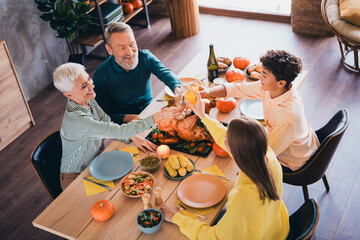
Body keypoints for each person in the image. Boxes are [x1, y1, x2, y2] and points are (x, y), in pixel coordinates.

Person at [160, 91, 290, 240]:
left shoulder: (242, 198)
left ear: (234, 151)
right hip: (276, 228)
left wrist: (176, 217)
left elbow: (214, 237)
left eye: (228, 140)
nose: (224, 139)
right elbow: (226, 137)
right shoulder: (266, 155)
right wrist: (203, 116)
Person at [53, 63, 184, 190]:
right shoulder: (78, 120)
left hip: (97, 163)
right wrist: (158, 116)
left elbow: (108, 123)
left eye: (89, 79)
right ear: (68, 95)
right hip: (76, 177)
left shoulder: (89, 101)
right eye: (83, 86)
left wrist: (133, 137)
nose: (91, 86)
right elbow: (118, 131)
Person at [199, 50, 319, 172]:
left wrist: (231, 147)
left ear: (281, 82)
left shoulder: (287, 116)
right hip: (286, 142)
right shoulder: (275, 89)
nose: (259, 76)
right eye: (261, 72)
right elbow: (238, 88)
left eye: (265, 75)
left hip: (293, 161)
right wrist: (207, 92)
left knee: (229, 170)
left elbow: (263, 154)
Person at [93, 22, 182, 125]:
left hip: (150, 111)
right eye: (122, 47)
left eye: (132, 44)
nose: (130, 52)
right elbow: (102, 115)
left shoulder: (145, 57)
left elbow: (166, 73)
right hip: (124, 125)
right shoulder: (100, 75)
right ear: (109, 50)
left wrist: (177, 88)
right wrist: (126, 118)